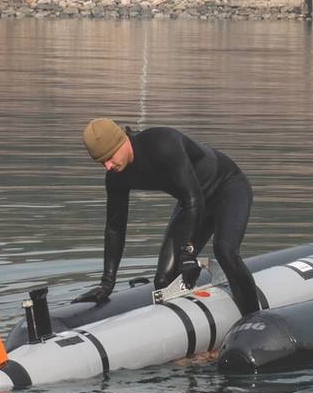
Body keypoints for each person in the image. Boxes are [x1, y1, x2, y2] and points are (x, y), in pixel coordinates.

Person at [73, 118, 260, 317]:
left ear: (121, 141)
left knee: (225, 251)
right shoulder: (116, 177)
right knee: (164, 280)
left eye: (109, 157)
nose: (107, 166)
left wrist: (188, 254)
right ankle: (194, 326)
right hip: (192, 202)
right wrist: (107, 283)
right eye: (101, 162)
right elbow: (114, 228)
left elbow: (193, 200)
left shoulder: (162, 143)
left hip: (227, 187)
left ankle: (256, 319)